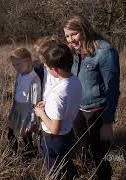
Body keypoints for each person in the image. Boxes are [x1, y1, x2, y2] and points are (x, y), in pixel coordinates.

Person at [63, 15, 120, 180]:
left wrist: (108, 123)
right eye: (67, 35)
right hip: (78, 111)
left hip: (98, 112)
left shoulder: (105, 52)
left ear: (84, 30)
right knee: (82, 149)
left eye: (74, 34)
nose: (70, 39)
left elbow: (113, 90)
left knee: (100, 155)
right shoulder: (74, 52)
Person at [35, 41, 82, 180]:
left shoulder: (58, 94)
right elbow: (66, 103)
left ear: (55, 70)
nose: (44, 66)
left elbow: (55, 128)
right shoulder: (75, 81)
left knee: (55, 170)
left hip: (53, 139)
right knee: (66, 162)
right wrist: (48, 103)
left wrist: (41, 113)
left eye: (47, 66)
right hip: (68, 133)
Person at [7, 47, 41, 158]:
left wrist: (32, 121)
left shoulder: (34, 79)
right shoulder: (19, 74)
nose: (16, 68)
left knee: (26, 134)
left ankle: (30, 153)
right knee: (11, 131)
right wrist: (13, 106)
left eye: (18, 64)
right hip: (17, 107)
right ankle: (13, 151)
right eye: (14, 65)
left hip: (27, 110)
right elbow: (17, 90)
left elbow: (35, 102)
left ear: (28, 61)